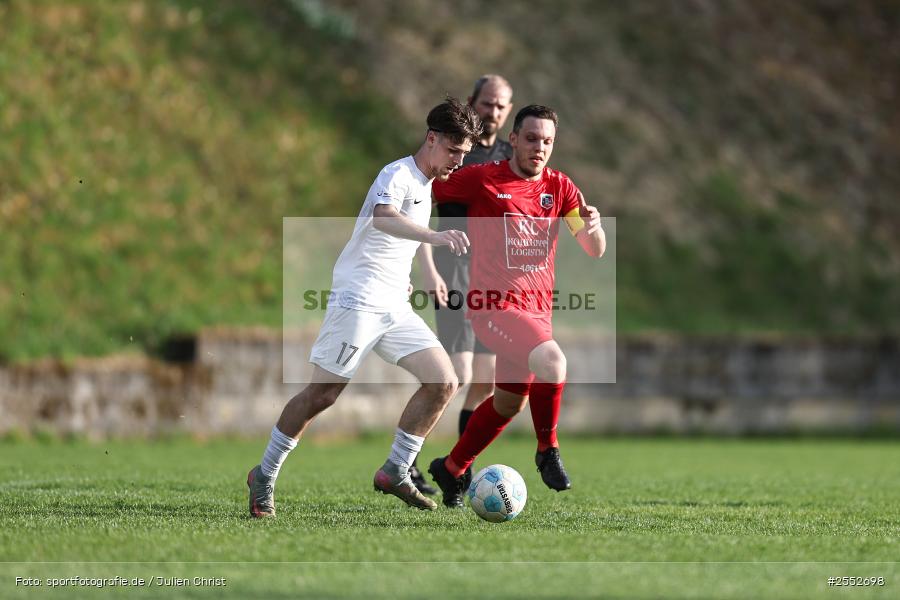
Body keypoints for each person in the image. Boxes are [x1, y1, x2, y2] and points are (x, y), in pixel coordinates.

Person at [247, 98, 483, 517]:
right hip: (358, 298)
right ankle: (264, 474)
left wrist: (410, 270)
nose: (457, 162)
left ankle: (395, 468)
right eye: (453, 151)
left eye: (463, 155)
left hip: (394, 303)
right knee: (323, 394)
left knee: (444, 381)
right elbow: (383, 217)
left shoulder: (426, 184)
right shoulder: (397, 173)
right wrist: (435, 238)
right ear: (431, 139)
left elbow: (394, 239)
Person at [426, 105, 605, 507]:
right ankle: (548, 450)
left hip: (537, 312)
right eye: (531, 138)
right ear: (513, 139)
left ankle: (452, 467)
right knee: (553, 363)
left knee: (508, 401)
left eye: (547, 141)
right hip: (492, 306)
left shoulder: (560, 188)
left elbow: (592, 249)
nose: (538, 148)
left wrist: (595, 230)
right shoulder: (482, 179)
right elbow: (425, 185)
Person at [409, 75, 514, 494]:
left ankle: (457, 466)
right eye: (487, 103)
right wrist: (429, 270)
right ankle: (408, 458)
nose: (493, 111)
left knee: (486, 381)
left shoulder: (510, 156)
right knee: (459, 372)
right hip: (454, 272)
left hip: (495, 280)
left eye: (501, 106)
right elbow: (417, 212)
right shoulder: (454, 153)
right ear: (473, 103)